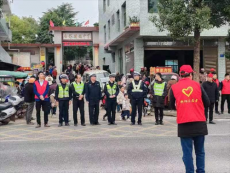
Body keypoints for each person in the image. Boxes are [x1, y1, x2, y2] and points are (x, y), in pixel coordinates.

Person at [170, 65, 210, 173]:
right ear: (191, 74)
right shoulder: (198, 86)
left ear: (180, 75)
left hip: (184, 124)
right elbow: (207, 103)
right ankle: (201, 171)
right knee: (200, 152)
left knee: (187, 153)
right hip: (199, 123)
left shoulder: (174, 87)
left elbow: (171, 105)